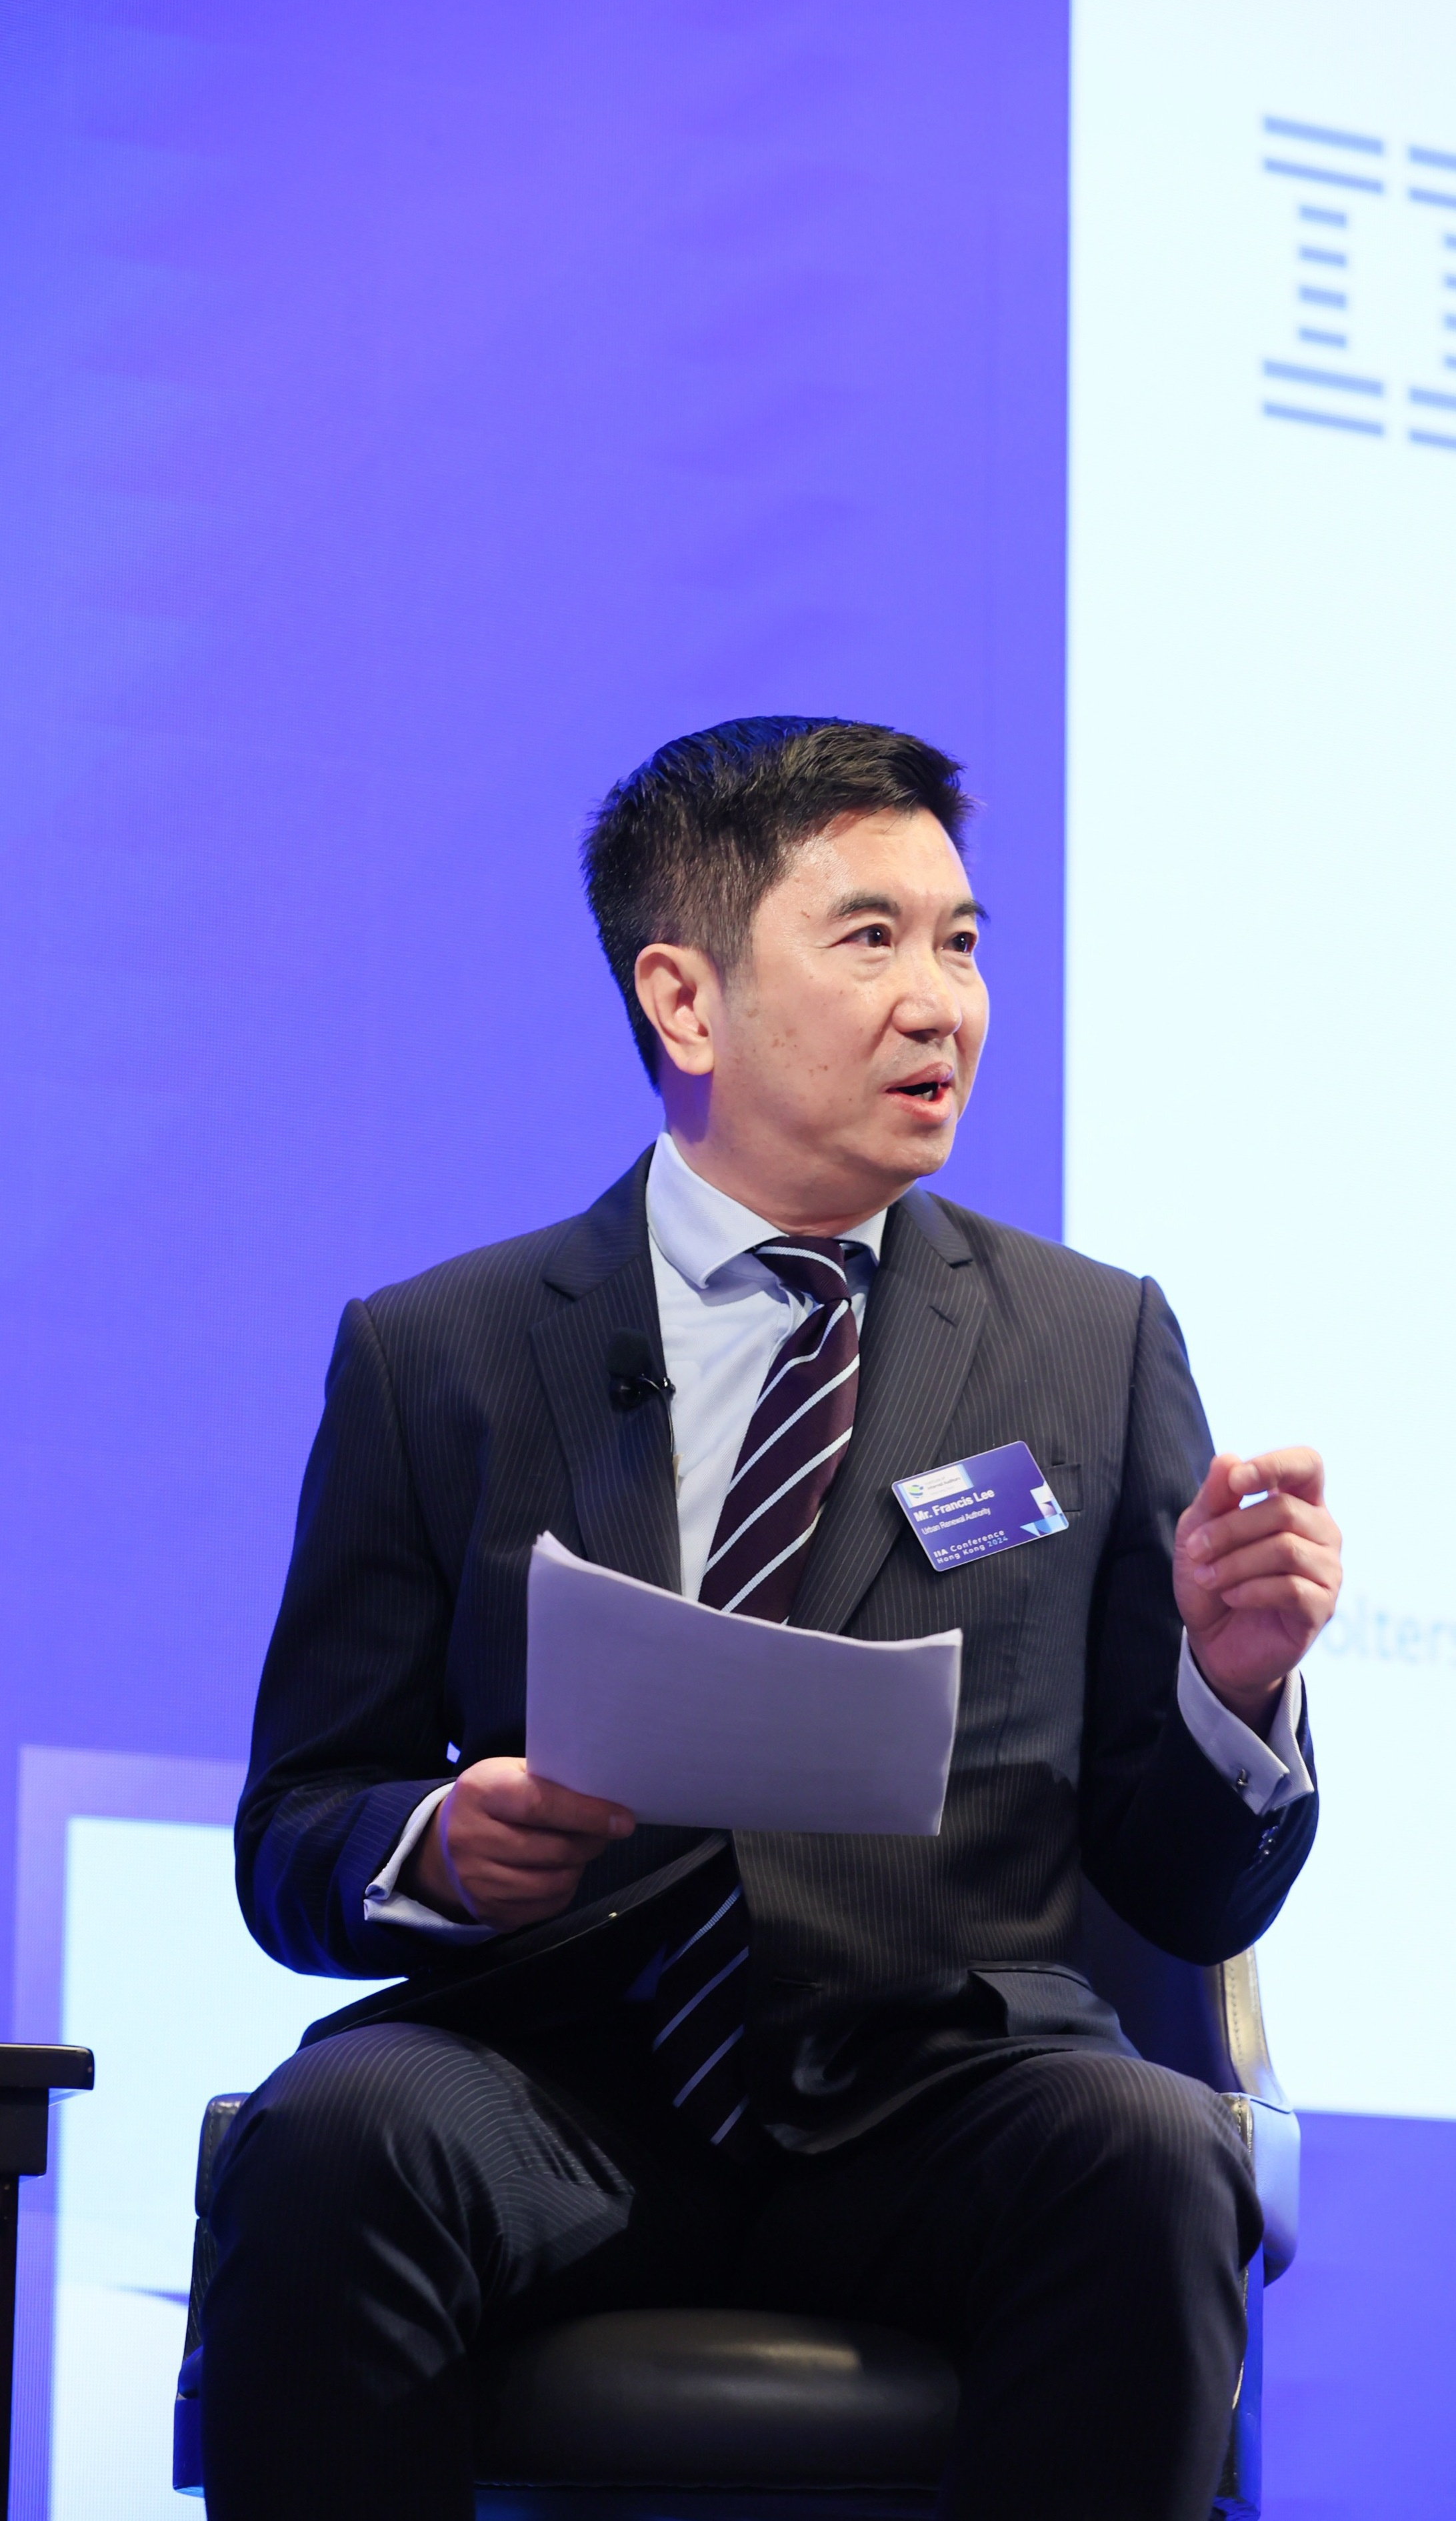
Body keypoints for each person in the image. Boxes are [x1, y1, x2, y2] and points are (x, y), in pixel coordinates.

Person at [203, 716, 1343, 2521]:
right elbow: (297, 1829)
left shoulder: (1091, 1344)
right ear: (686, 1000)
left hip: (945, 2090)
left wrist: (1231, 1685)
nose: (941, 1002)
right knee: (336, 2136)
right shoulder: (441, 1354)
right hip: (549, 2079)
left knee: (1144, 2148)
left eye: (961, 942)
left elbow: (1187, 1891)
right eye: (871, 939)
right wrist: (438, 1848)